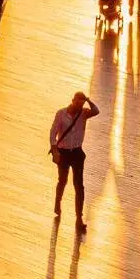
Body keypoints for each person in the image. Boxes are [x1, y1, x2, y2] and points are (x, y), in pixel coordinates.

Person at [49, 92, 100, 233]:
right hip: (64, 153)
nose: (79, 106)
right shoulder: (61, 114)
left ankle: (79, 218)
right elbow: (53, 132)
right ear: (72, 101)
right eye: (78, 103)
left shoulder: (83, 114)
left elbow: (96, 111)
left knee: (79, 186)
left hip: (77, 153)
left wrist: (88, 100)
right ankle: (57, 203)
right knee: (63, 180)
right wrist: (54, 149)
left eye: (81, 104)